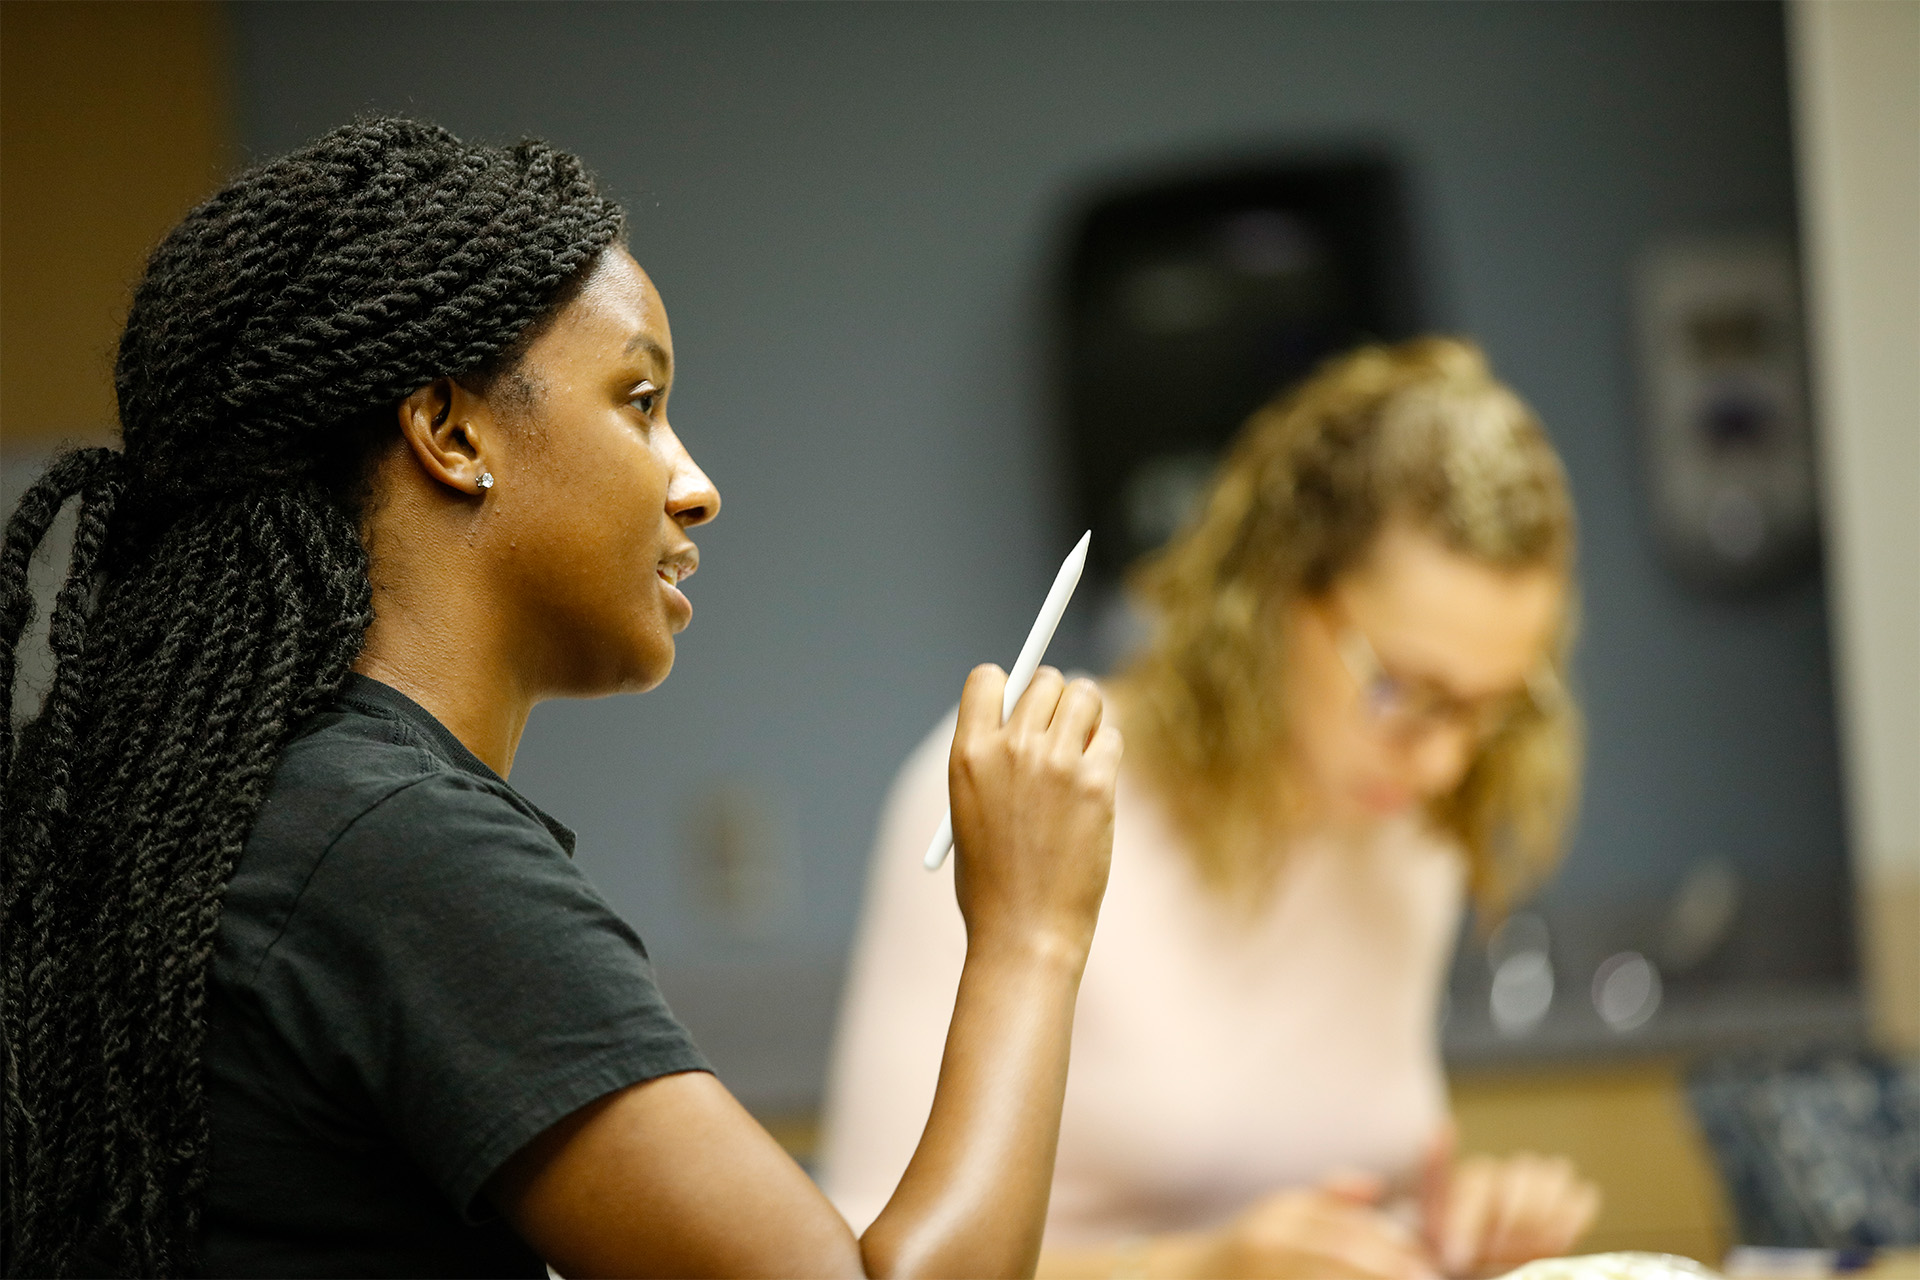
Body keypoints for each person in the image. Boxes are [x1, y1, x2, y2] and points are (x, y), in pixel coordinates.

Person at [0, 118, 1124, 1278]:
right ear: (450, 429)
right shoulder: (397, 851)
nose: (698, 487)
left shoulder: (258, 814)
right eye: (640, 400)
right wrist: (1030, 934)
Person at [821, 338, 1603, 1280]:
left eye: (1490, 706)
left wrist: (1436, 1233)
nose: (1444, 759)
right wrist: (1197, 1270)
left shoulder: (1409, 828)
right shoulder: (1021, 785)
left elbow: (1317, 1197)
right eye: (1404, 688)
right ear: (1274, 594)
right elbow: (858, 1256)